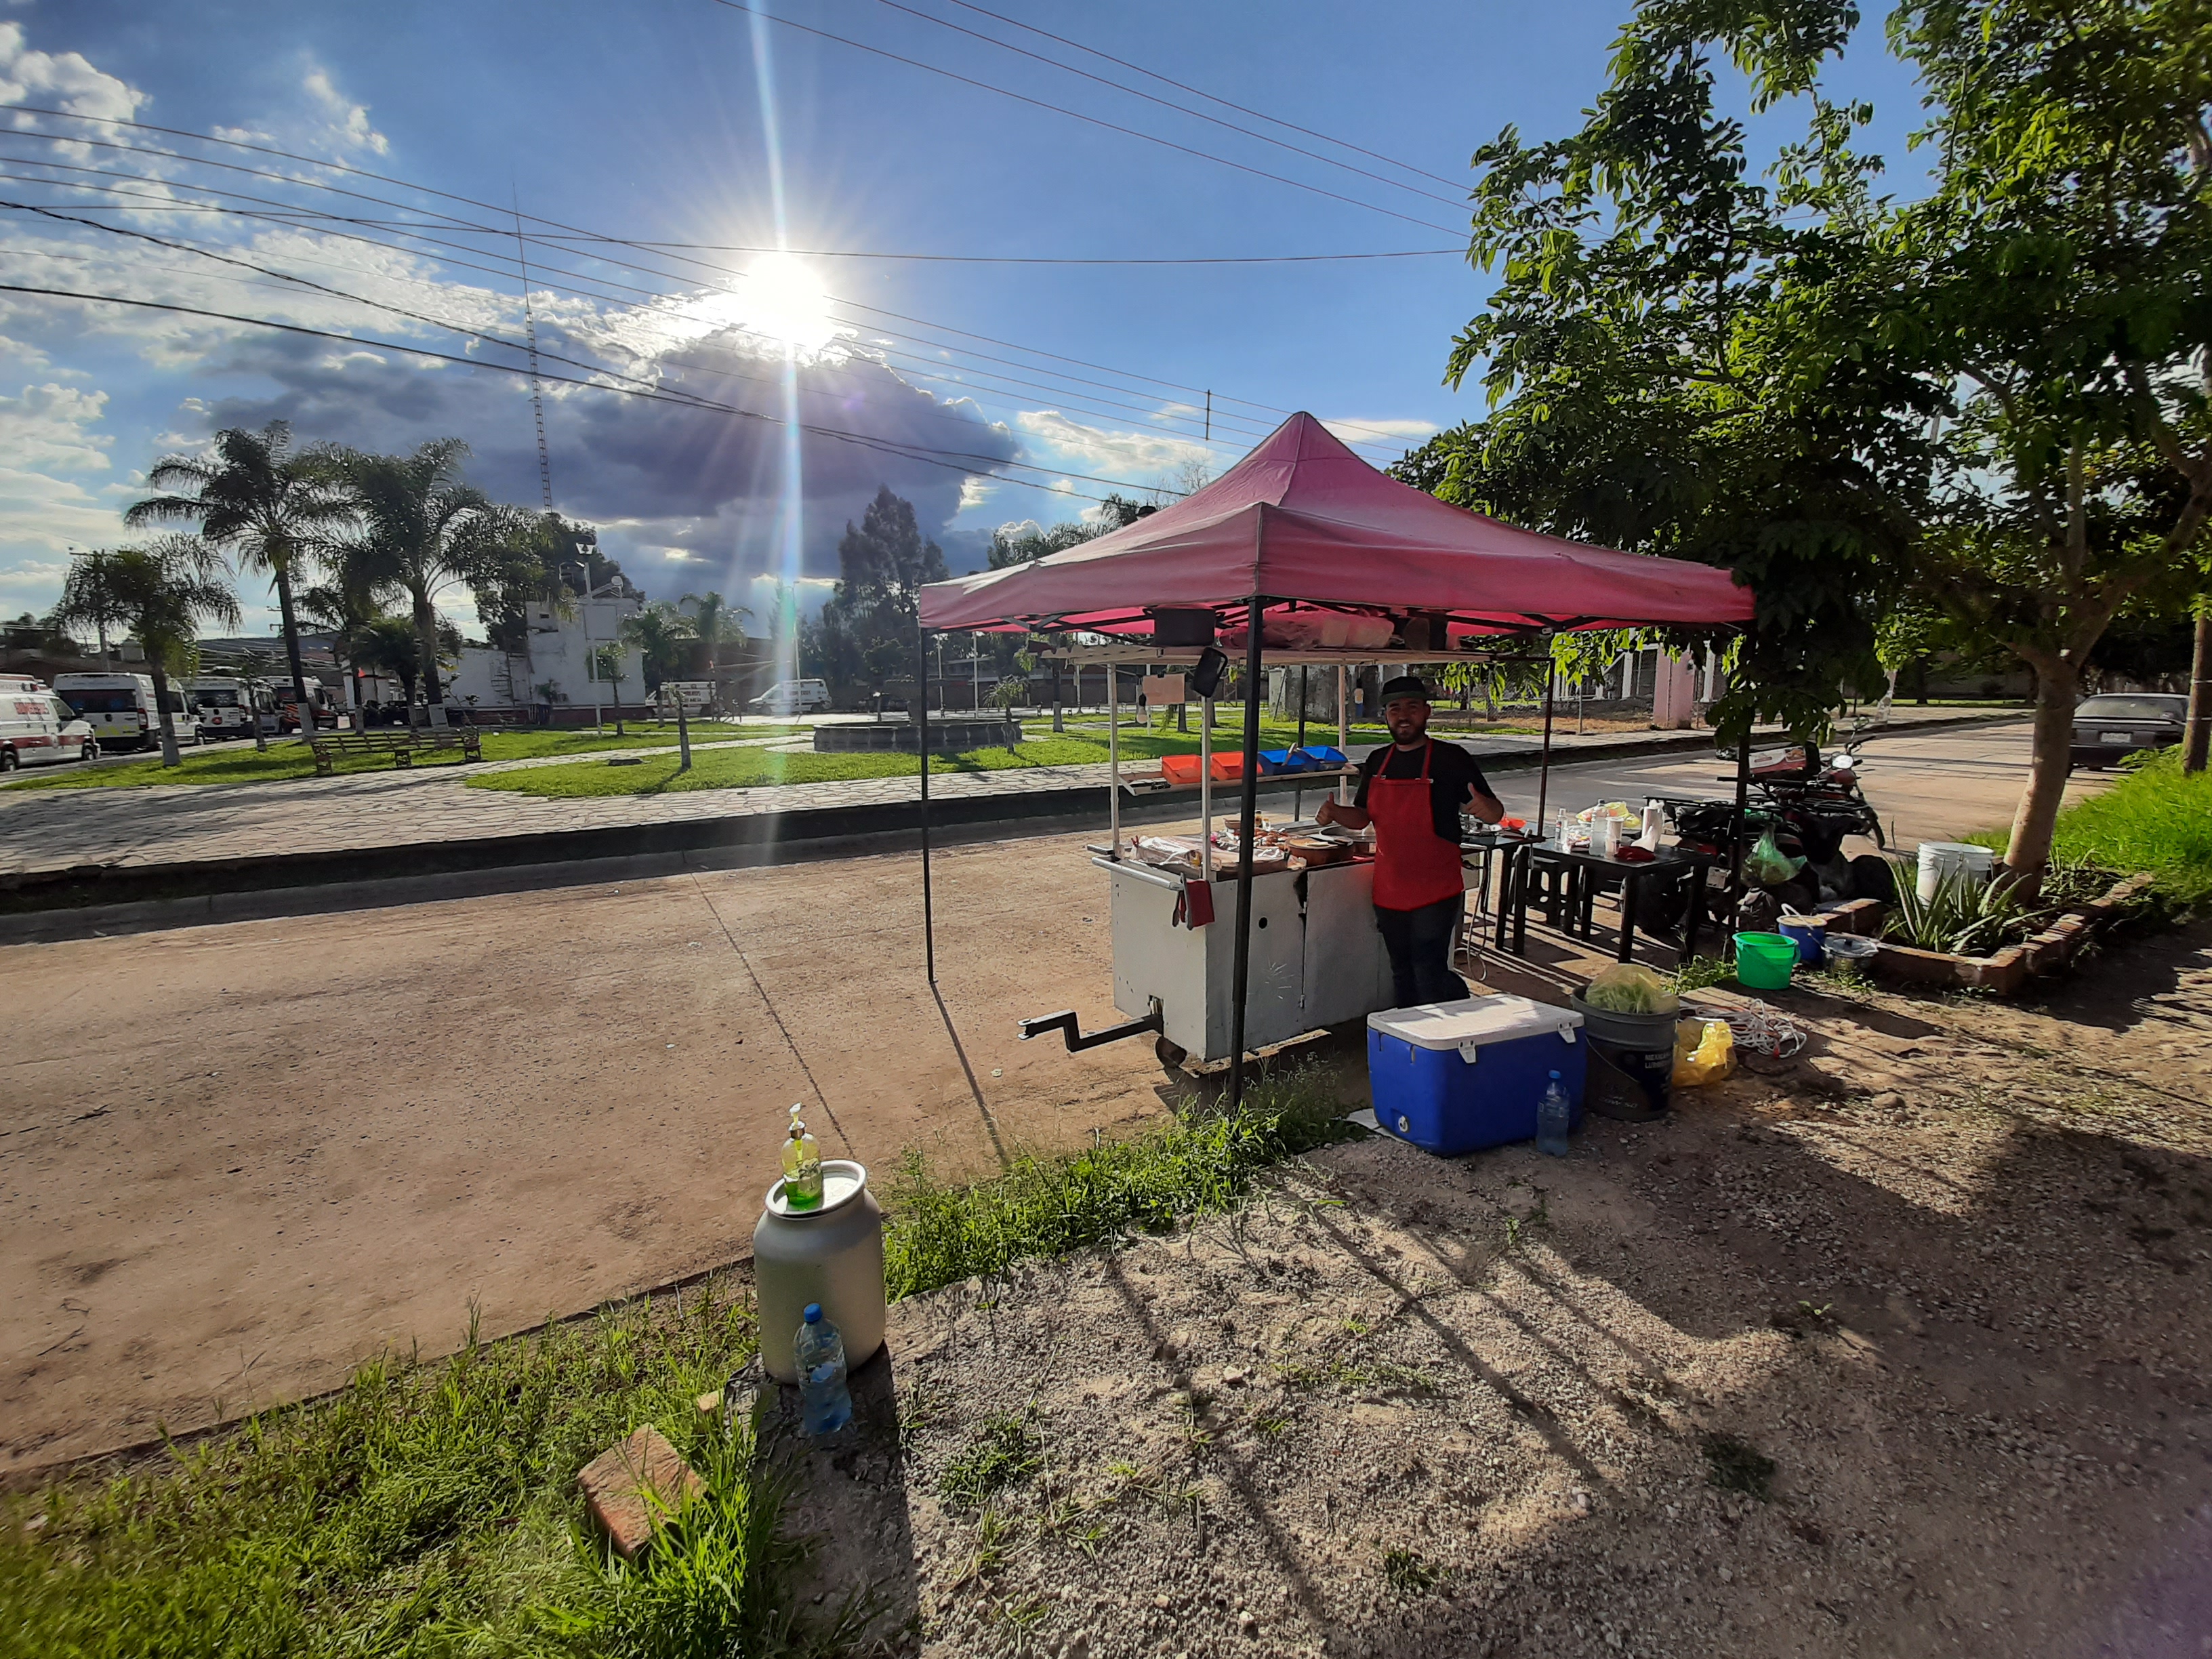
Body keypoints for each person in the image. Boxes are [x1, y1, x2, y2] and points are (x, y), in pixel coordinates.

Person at [1316, 675, 1503, 1006]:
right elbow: (1363, 817)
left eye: (1412, 707)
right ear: (1386, 715)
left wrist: (1485, 808)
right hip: (1389, 886)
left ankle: (1439, 1043)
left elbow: (1495, 813)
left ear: (1427, 712)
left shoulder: (1451, 758)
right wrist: (1334, 812)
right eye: (1395, 708)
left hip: (1436, 887)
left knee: (1428, 971)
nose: (1403, 716)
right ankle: (1409, 1040)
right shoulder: (1377, 761)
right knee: (1401, 970)